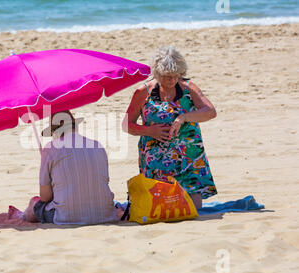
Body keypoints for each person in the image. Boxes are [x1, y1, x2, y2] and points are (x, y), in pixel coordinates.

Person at [122, 45, 218, 209]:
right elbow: (126, 125)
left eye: (176, 75)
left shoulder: (188, 88)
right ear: (158, 74)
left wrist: (184, 117)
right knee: (162, 209)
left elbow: (210, 112)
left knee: (193, 210)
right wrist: (149, 131)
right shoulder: (143, 92)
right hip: (156, 160)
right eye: (167, 76)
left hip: (189, 158)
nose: (172, 80)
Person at [20, 110, 121, 225]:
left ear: (55, 132)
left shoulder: (50, 149)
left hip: (67, 217)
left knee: (35, 203)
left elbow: (45, 197)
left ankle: (22, 215)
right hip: (106, 214)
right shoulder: (98, 146)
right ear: (75, 127)